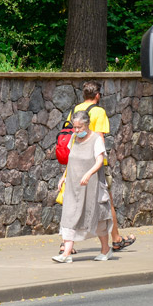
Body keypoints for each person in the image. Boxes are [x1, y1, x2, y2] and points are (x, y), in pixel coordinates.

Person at [71, 82, 135, 252]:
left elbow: (72, 134)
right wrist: (102, 160)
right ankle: (115, 239)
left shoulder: (76, 110)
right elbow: (99, 138)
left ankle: (67, 244)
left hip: (77, 160)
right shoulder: (99, 112)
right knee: (107, 201)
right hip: (94, 162)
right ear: (97, 95)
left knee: (77, 201)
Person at [53, 111, 113, 263]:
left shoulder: (96, 140)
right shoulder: (73, 138)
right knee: (68, 215)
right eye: (75, 127)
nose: (77, 130)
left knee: (96, 217)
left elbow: (99, 161)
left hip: (91, 186)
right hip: (74, 186)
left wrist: (89, 173)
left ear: (87, 124)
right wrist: (64, 176)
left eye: (80, 127)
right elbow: (71, 160)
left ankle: (105, 249)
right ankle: (66, 253)